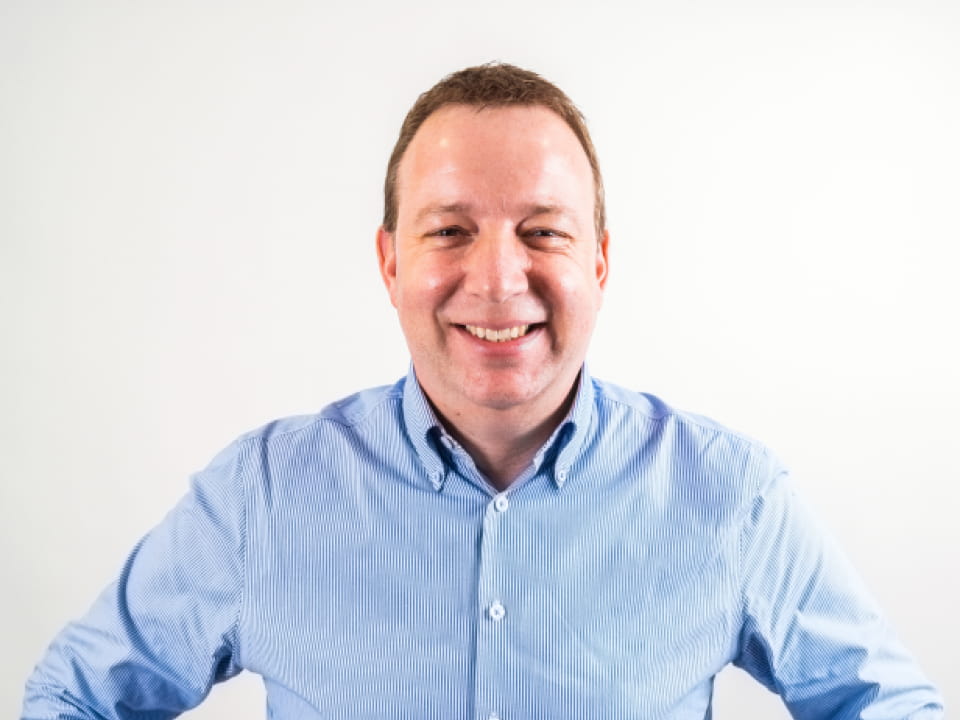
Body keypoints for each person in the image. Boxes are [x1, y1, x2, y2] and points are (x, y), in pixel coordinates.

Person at [22, 63, 943, 720]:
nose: (499, 280)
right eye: (450, 230)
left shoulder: (730, 495)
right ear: (390, 261)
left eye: (543, 232)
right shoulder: (260, 495)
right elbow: (73, 698)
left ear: (599, 262)